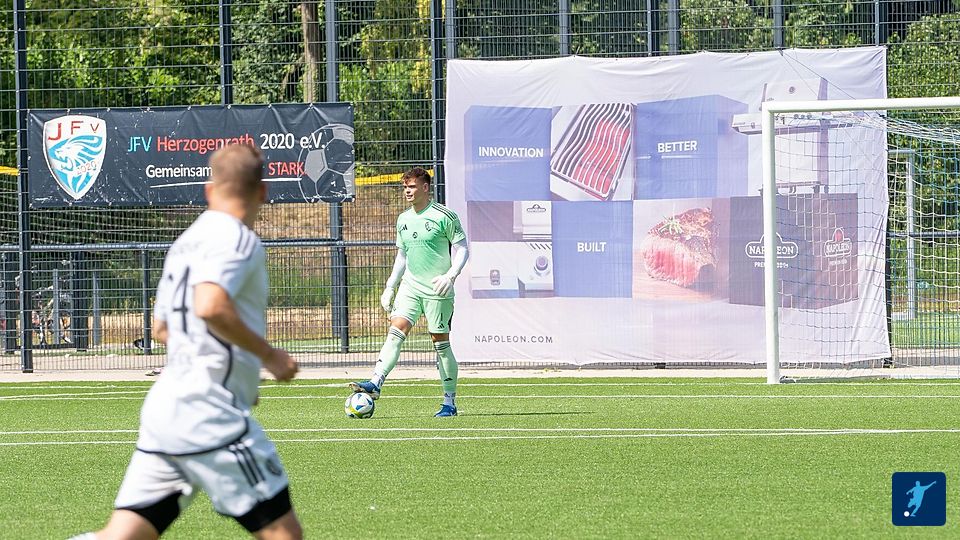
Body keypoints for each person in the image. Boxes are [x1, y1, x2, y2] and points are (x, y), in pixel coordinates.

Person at [69, 144, 302, 540]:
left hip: (167, 410)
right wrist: (269, 356)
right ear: (262, 191)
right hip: (208, 414)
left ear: (209, 190)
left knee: (122, 536)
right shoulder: (238, 238)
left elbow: (162, 328)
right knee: (283, 535)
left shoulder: (186, 242)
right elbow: (210, 305)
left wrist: (234, 374)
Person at [350, 167, 468, 417]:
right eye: (405, 187)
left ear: (425, 188)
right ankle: (376, 382)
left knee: (440, 344)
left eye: (412, 187)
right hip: (410, 287)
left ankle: (449, 402)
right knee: (396, 330)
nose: (407, 191)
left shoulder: (444, 216)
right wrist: (390, 286)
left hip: (437, 289)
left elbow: (462, 248)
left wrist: (451, 276)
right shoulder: (403, 219)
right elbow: (402, 255)